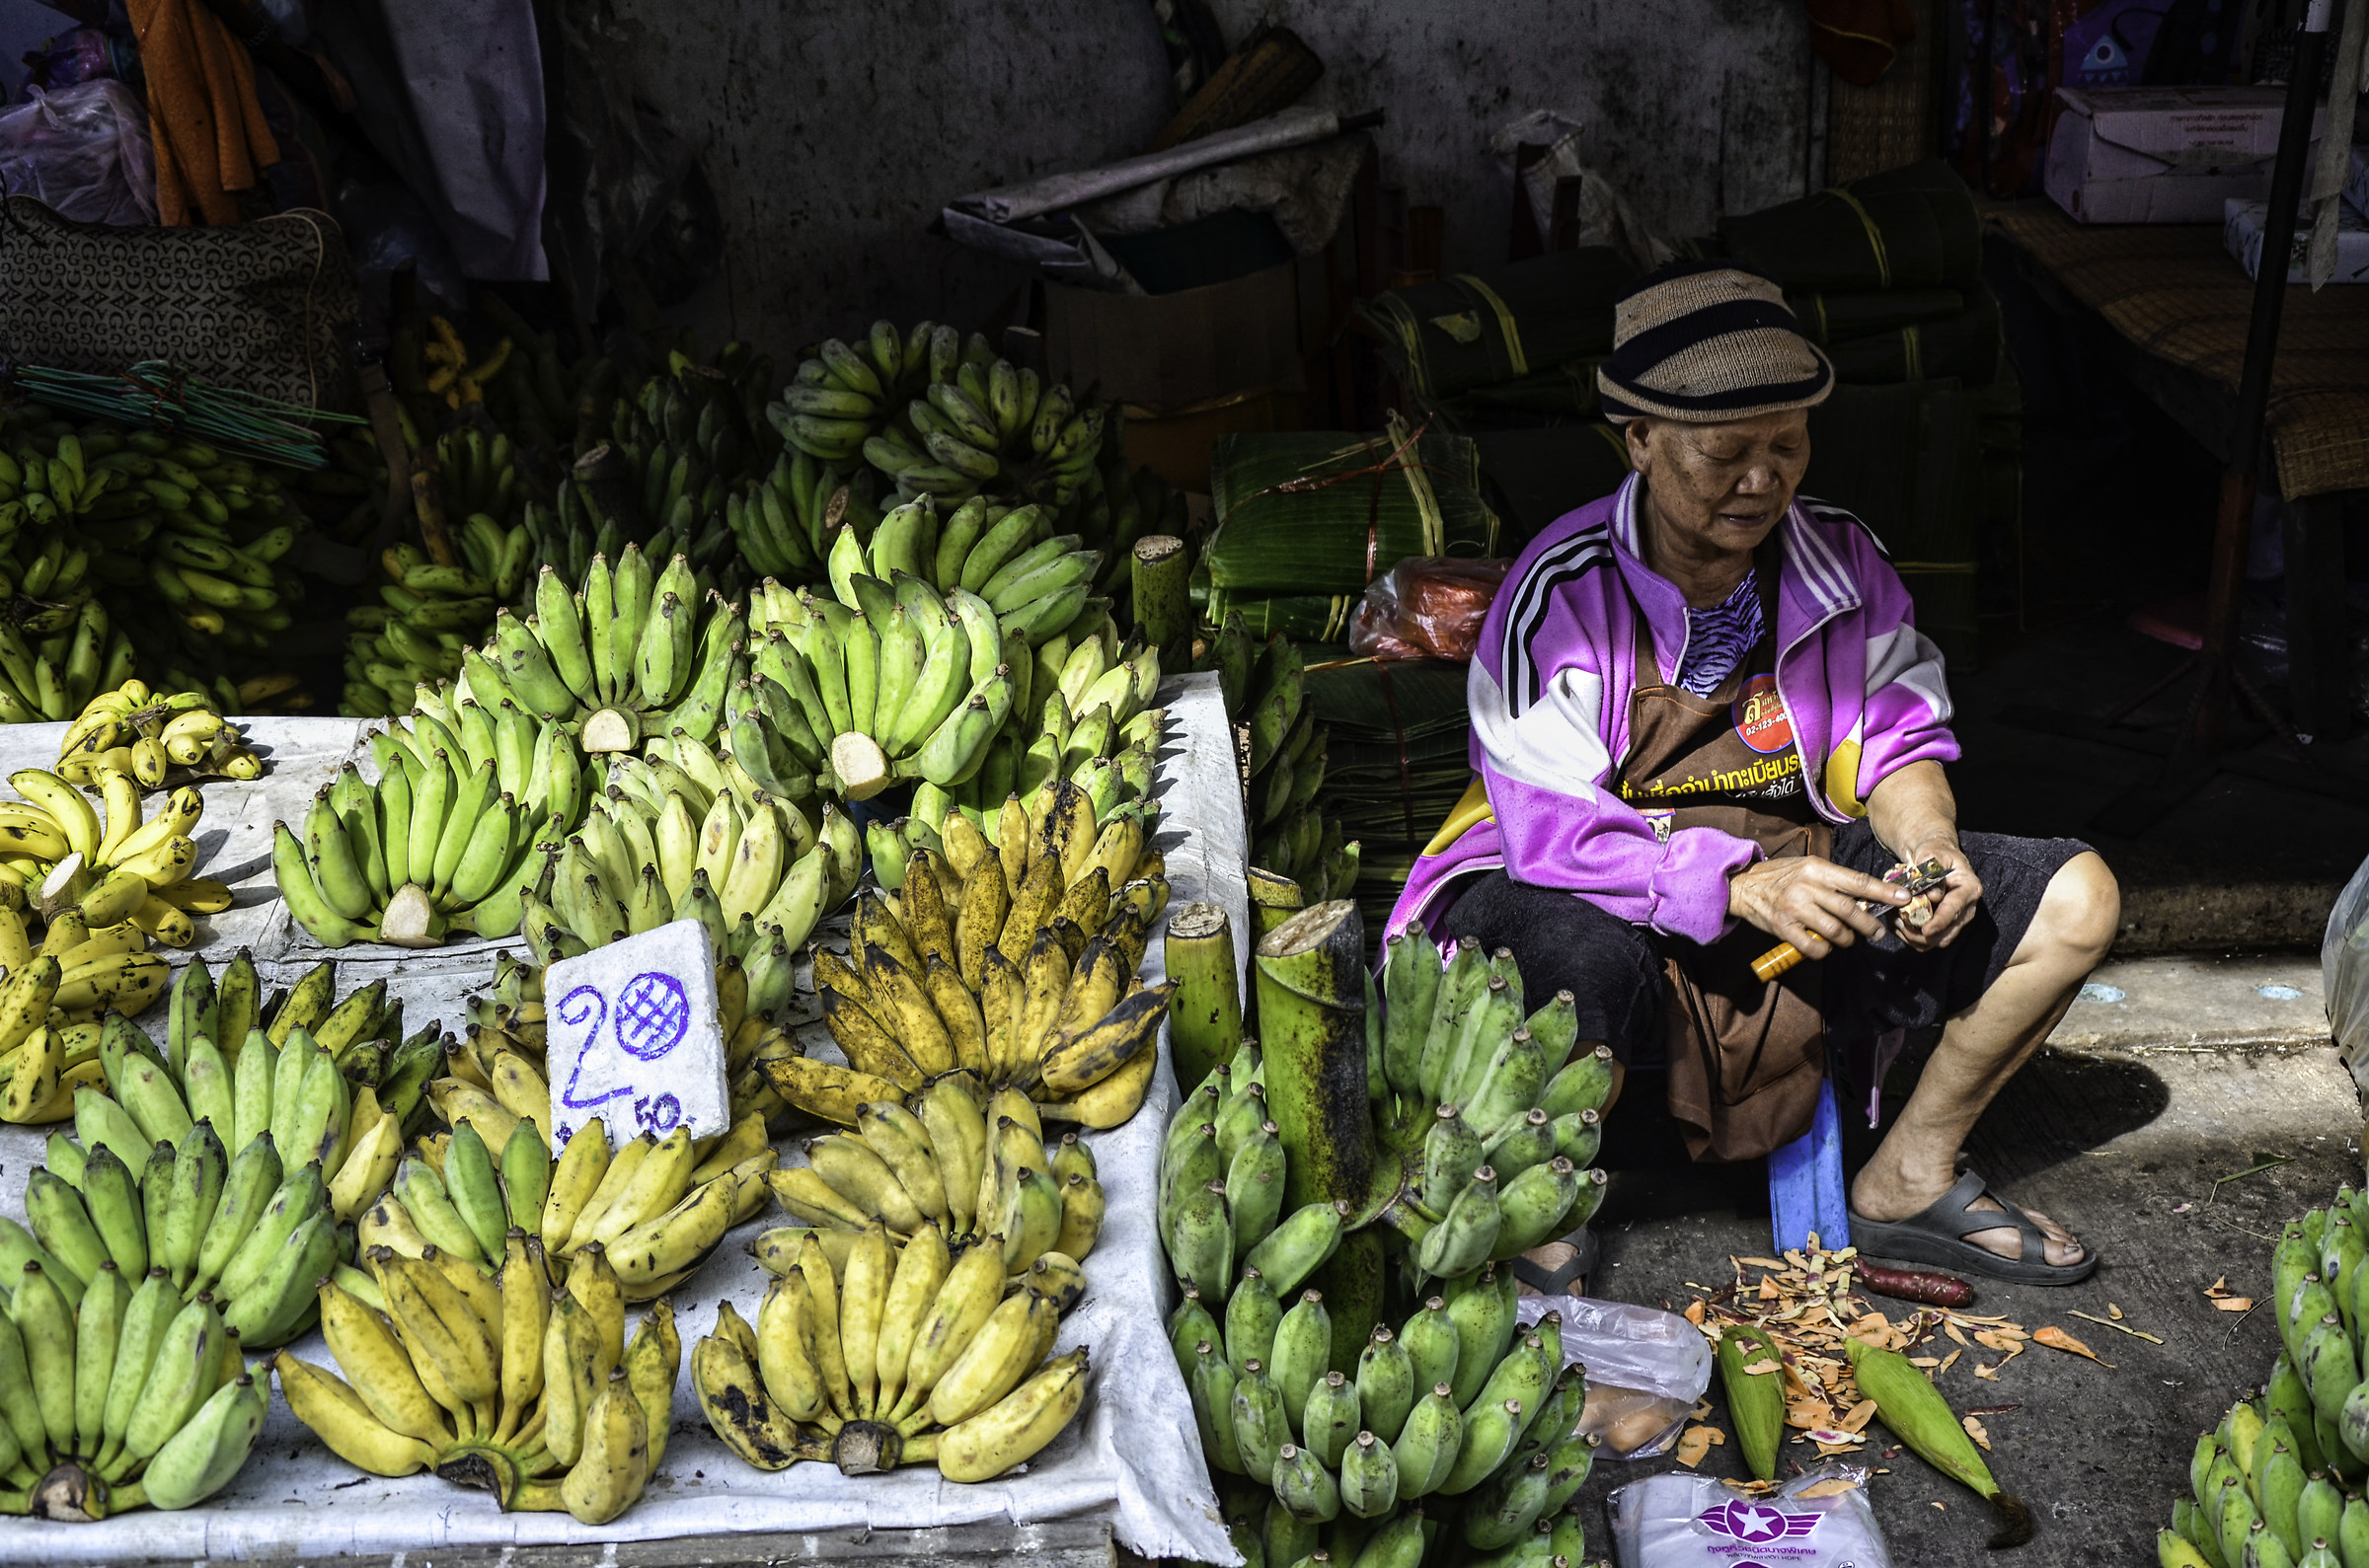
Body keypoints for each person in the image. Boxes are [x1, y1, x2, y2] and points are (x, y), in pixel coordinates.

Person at [1388, 261, 2118, 1286]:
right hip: (1595, 889)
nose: (1763, 480)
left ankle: (1907, 1174)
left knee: (2077, 898)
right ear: (1640, 440)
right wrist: (1735, 883)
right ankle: (1535, 1203)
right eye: (1726, 452)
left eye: (1787, 445)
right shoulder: (1559, 590)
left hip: (1793, 892)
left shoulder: (1840, 561)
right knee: (1563, 958)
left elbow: (1898, 737)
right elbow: (1548, 827)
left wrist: (1929, 845)